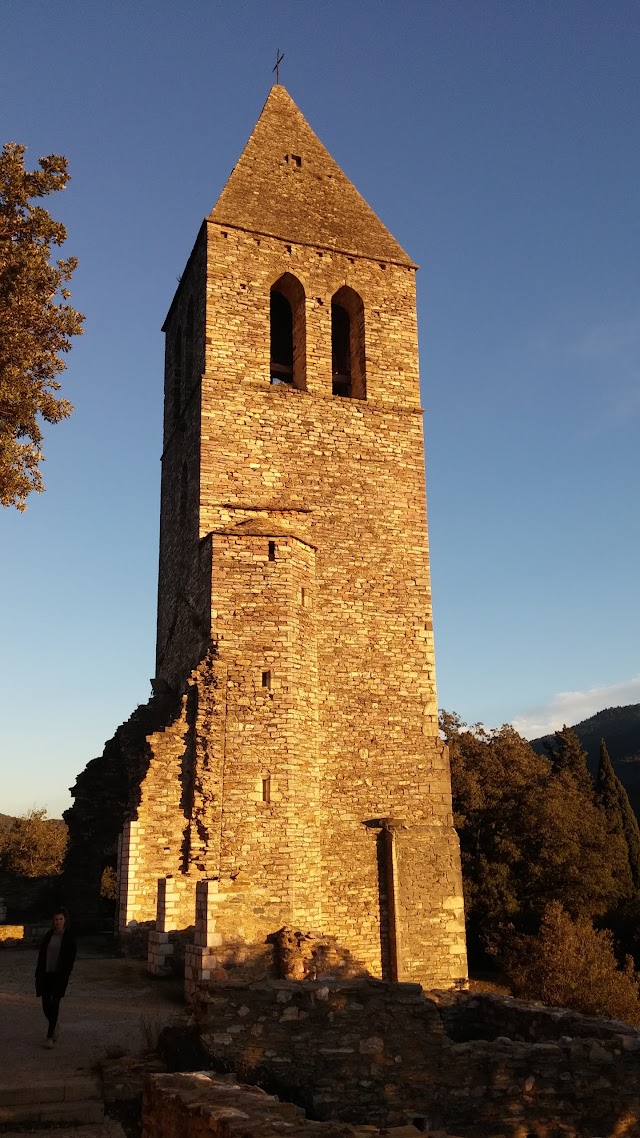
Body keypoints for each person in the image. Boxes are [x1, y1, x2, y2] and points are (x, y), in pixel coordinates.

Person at [35, 908, 76, 1048]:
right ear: (53, 921)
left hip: (59, 976)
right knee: (45, 1005)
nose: (58, 922)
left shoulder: (69, 938)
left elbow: (71, 958)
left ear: (65, 921)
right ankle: (55, 1024)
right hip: (46, 975)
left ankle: (49, 1037)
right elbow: (42, 955)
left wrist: (66, 973)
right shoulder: (48, 936)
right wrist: (38, 973)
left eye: (61, 919)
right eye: (56, 919)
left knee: (55, 1004)